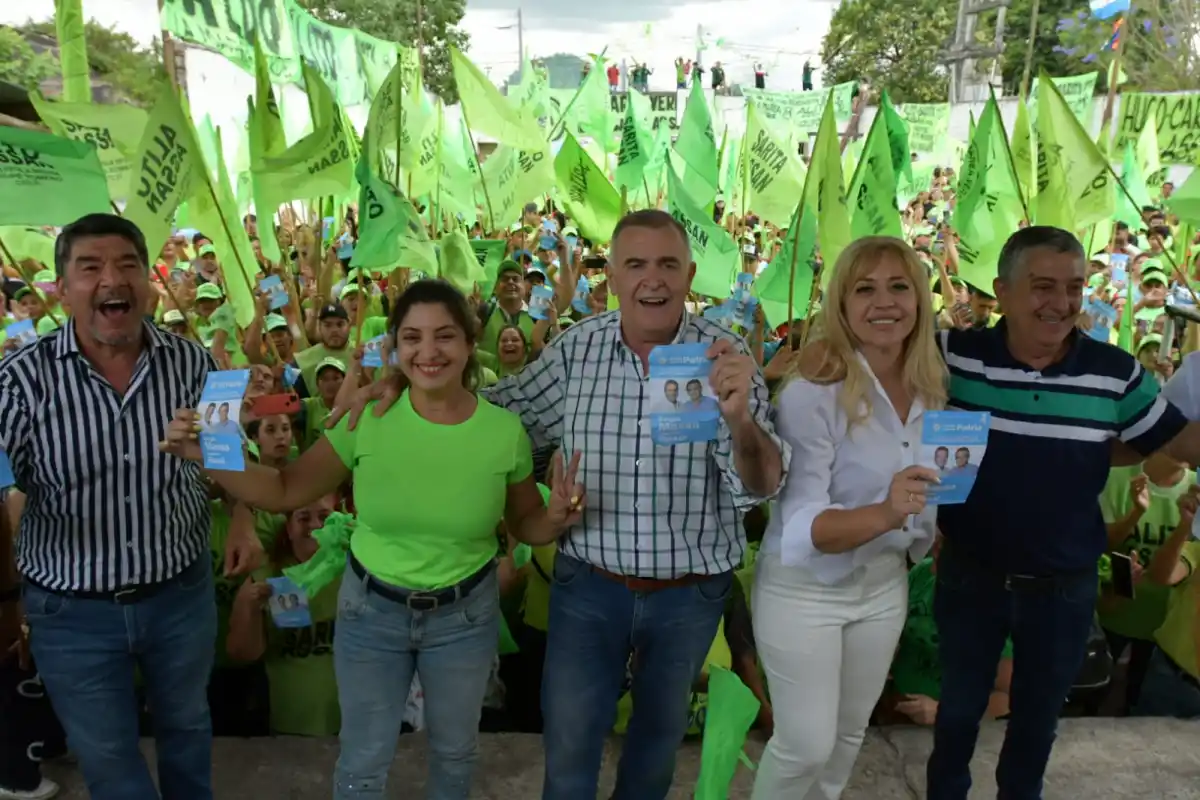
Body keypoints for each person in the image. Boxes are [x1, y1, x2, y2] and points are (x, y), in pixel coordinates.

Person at [330, 210, 789, 800]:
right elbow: (495, 409)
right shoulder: (578, 351)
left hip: (689, 593)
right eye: (636, 265)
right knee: (570, 746)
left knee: (655, 747)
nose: (653, 279)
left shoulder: (725, 362)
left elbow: (761, 484)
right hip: (589, 590)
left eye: (668, 265)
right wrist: (409, 382)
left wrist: (740, 419)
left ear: (690, 274)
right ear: (614, 278)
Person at [162, 279, 584, 800]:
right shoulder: (367, 418)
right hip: (371, 614)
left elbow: (526, 524)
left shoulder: (504, 432)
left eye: (445, 336)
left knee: (454, 754)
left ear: (471, 343)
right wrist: (211, 455)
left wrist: (559, 516)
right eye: (412, 338)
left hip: (464, 619)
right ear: (395, 349)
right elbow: (285, 488)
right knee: (363, 758)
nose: (428, 352)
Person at [925, 226, 1200, 800]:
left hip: (1065, 591)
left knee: (1035, 727)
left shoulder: (1115, 372)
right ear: (1001, 291)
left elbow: (1170, 441)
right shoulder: (954, 357)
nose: (1062, 303)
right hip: (969, 578)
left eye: (1074, 287)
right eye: (1043, 286)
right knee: (955, 719)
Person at [0, 214, 263, 800]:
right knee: (109, 756)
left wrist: (243, 516)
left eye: (127, 265)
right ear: (63, 289)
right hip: (71, 615)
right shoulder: (19, 384)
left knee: (188, 730)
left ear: (147, 281)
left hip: (180, 597)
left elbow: (228, 456)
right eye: (90, 267)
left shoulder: (195, 365)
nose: (111, 279)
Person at [752, 237, 943, 798]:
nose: (884, 302)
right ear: (841, 303)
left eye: (899, 287)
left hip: (884, 586)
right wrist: (888, 510)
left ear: (919, 300)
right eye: (865, 289)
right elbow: (806, 525)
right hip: (805, 590)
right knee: (804, 744)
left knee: (845, 739)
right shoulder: (813, 390)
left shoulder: (932, 385)